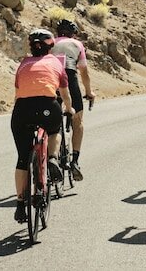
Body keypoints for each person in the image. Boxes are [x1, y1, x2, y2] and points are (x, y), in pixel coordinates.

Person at [12, 29, 73, 223]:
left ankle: (20, 204)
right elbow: (64, 93)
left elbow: (17, 92)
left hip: (22, 109)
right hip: (48, 105)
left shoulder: (23, 64)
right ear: (51, 46)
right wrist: (70, 110)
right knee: (54, 131)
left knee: (22, 158)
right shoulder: (56, 62)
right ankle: (53, 158)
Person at [52, 19, 95, 180]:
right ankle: (75, 161)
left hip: (51, 78)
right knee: (78, 121)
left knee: (53, 123)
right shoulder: (77, 45)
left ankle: (52, 156)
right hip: (69, 78)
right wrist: (89, 92)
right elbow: (84, 72)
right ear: (73, 34)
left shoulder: (50, 42)